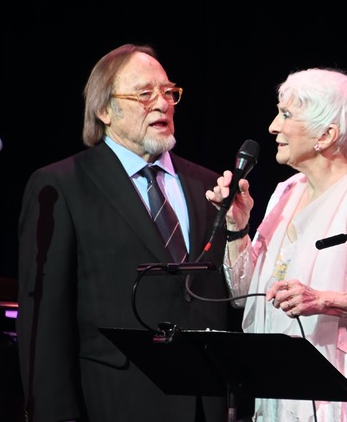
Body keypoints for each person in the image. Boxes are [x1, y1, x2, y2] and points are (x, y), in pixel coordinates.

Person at [16, 44, 241, 422]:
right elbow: (45, 315)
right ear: (104, 110)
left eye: (169, 92)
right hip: (115, 398)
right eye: (144, 94)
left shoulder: (208, 185)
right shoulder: (62, 185)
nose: (163, 104)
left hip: (206, 399)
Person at [206, 67, 347, 421]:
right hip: (275, 389)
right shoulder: (285, 192)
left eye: (287, 115)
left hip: (334, 398)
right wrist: (236, 228)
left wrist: (322, 300)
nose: (273, 126)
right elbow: (245, 292)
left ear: (327, 133)